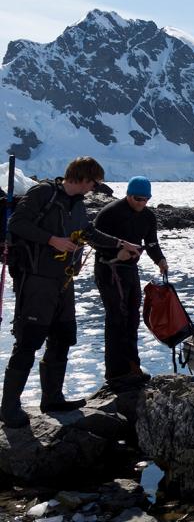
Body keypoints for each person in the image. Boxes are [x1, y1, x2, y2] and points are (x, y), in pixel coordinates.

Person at [1, 157, 141, 428]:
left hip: (63, 282)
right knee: (28, 341)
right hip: (36, 280)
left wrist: (121, 243)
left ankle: (52, 398)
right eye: (94, 182)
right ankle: (9, 408)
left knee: (63, 336)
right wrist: (52, 239)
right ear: (82, 178)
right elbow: (17, 224)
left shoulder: (77, 204)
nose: (94, 188)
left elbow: (89, 233)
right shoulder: (43, 193)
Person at [94, 176, 168, 387]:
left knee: (132, 318)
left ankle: (131, 366)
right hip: (108, 269)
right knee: (117, 317)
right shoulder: (110, 213)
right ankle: (115, 372)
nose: (141, 203)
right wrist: (118, 253)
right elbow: (94, 240)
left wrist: (160, 260)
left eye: (146, 199)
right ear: (128, 194)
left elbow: (151, 242)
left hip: (130, 270)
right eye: (137, 198)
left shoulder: (147, 217)